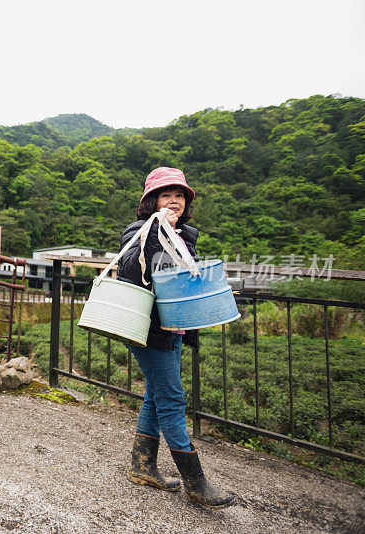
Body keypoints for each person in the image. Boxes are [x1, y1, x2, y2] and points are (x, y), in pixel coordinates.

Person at [117, 167, 235, 508]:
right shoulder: (139, 230)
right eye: (165, 195)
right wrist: (159, 229)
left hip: (174, 327)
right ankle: (196, 483)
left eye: (179, 196)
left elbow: (179, 280)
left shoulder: (184, 236)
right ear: (151, 201)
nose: (174, 202)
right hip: (149, 329)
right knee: (172, 399)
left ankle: (143, 467)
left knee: (156, 396)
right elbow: (133, 268)